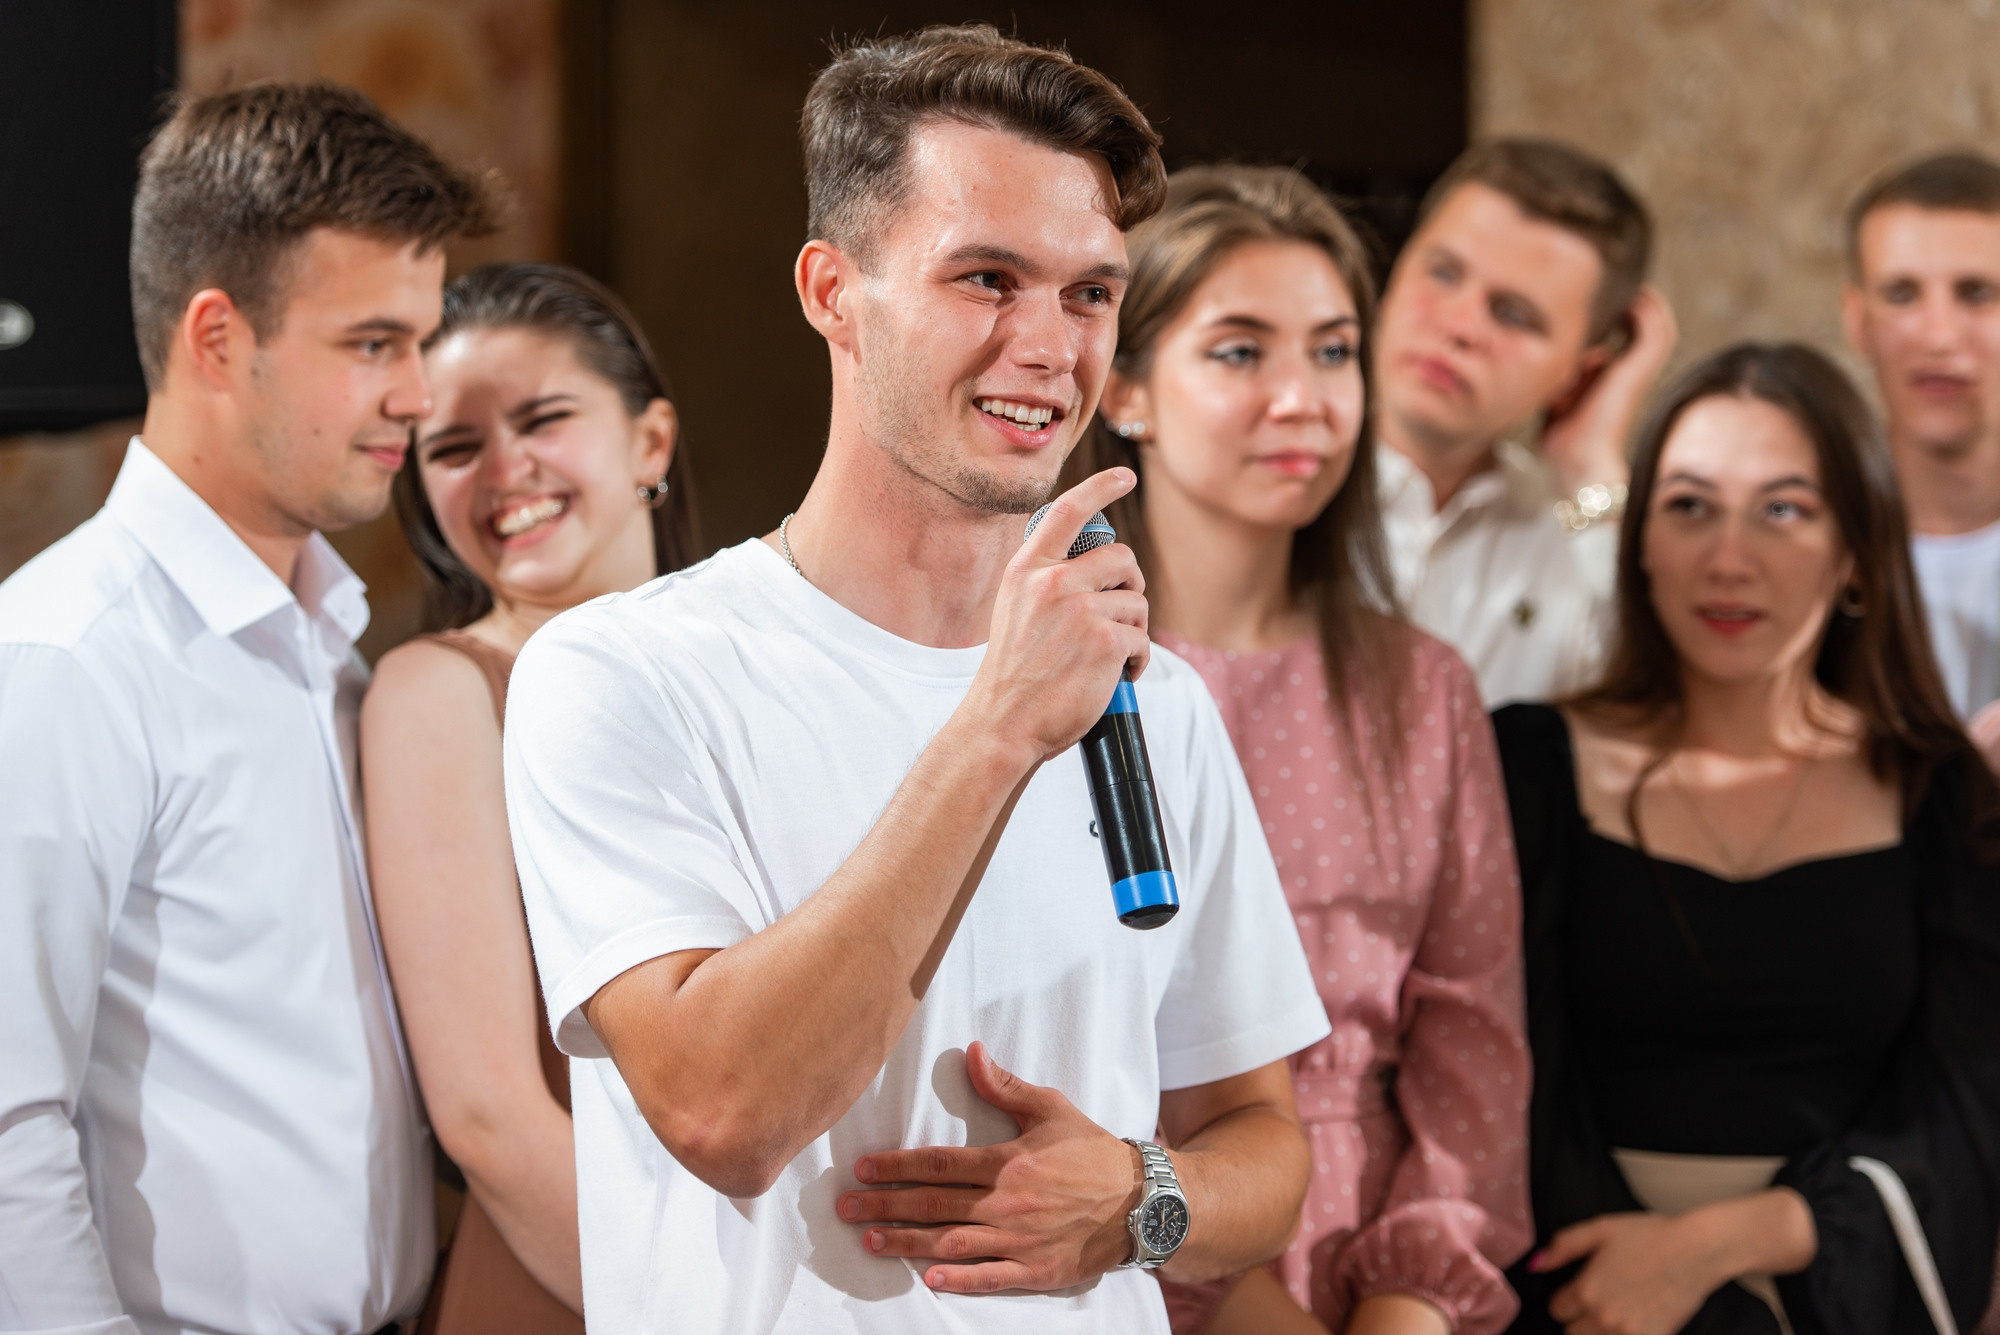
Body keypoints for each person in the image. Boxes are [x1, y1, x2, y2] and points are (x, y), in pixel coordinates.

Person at [502, 25, 1333, 1334]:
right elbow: (725, 1111)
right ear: (834, 289)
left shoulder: (1154, 700)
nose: (1051, 347)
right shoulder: (622, 672)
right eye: (987, 277)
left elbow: (1263, 1143)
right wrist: (1000, 724)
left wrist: (1139, 1198)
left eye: (1090, 293)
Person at [0, 83, 494, 1333]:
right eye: (373, 344)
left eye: (420, 342)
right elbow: (7, 1121)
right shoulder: (65, 660)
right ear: (217, 340)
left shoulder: (331, 647)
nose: (418, 397)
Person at [1073, 164, 1533, 1335]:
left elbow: (1470, 1038)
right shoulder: (1058, 678)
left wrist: (1410, 1298)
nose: (1304, 399)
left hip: (1383, 1259)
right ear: (1126, 384)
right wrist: (1228, 1296)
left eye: (1332, 352)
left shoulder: (1421, 687)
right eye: (1239, 352)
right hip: (1117, 1252)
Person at [1492, 342, 2000, 1333]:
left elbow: (1963, 1111)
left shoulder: (1942, 794)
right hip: (1576, 1295)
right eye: (1687, 506)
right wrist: (1632, 1278)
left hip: (1839, 1297)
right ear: (1637, 541)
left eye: (1782, 509)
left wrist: (1722, 1249)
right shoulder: (1525, 765)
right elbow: (1502, 1076)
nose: (1729, 558)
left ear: (1855, 549)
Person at [361, 263, 700, 1332]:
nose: (505, 470)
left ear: (650, 441)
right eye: (454, 448)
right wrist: (709, 1311)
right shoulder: (437, 693)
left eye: (543, 419)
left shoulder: (758, 659)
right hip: (581, 1284)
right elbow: (486, 1116)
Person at [1373, 138, 1678, 707]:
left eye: (1513, 314)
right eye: (1442, 273)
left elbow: (1659, 705)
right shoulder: (1273, 478)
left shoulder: (1570, 541)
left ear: (1579, 371)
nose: (1460, 325)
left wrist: (1589, 463)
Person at [1842, 152, 2000, 750]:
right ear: (1857, 321)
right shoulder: (1798, 542)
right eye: (1902, 294)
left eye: (1977, 292)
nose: (1938, 336)